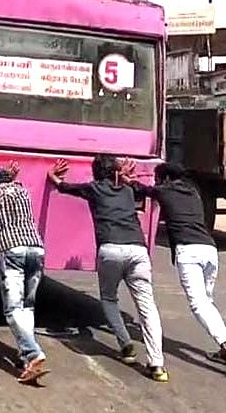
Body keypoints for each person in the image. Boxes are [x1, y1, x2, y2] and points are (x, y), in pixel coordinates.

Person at [119, 160, 226, 377]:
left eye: (159, 179)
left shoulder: (165, 191)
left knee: (198, 304)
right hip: (209, 249)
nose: (157, 183)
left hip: (189, 252)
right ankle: (223, 347)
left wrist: (125, 178)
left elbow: (140, 190)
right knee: (207, 302)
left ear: (165, 179)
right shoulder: (193, 192)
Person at [47, 156, 168, 382]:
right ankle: (157, 364)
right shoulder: (128, 190)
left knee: (109, 298)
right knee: (147, 307)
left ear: (95, 173)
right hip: (138, 250)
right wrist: (125, 179)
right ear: (115, 172)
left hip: (110, 249)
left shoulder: (94, 188)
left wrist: (53, 176)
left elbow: (63, 187)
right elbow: (142, 190)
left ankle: (125, 344)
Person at [0, 163, 49, 382]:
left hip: (12, 250)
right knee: (27, 306)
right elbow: (14, 185)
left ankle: (33, 352)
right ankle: (24, 357)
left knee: (12, 309)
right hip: (36, 249)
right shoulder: (24, 191)